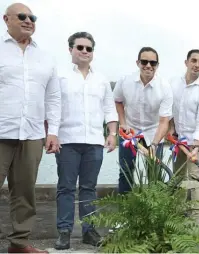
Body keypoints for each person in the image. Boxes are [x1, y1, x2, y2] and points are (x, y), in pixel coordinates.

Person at [0, 3, 61, 253]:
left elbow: (53, 97)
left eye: (32, 17)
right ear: (6, 19)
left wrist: (53, 131)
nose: (28, 20)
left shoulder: (45, 57)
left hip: (33, 135)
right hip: (1, 132)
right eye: (22, 16)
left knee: (25, 193)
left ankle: (19, 243)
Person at [53, 32, 118, 250]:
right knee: (66, 188)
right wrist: (52, 134)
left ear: (93, 52)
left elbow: (109, 108)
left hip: (94, 142)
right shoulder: (60, 76)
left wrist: (112, 133)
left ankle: (89, 231)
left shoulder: (101, 79)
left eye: (88, 49)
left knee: (89, 188)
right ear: (70, 49)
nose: (84, 51)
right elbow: (53, 107)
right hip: (67, 140)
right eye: (79, 47)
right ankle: (64, 232)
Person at [113, 46, 173, 195]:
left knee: (154, 174)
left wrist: (154, 144)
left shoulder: (165, 87)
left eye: (153, 63)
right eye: (144, 62)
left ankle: (153, 214)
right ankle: (126, 210)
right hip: (129, 130)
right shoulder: (125, 81)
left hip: (153, 132)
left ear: (157, 65)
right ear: (138, 62)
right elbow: (117, 101)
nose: (148, 66)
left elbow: (164, 121)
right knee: (126, 171)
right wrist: (123, 123)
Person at [169, 49, 199, 219]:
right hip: (177, 140)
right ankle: (177, 214)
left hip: (196, 140)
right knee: (178, 176)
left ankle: (196, 216)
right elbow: (169, 109)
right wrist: (171, 128)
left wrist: (195, 145)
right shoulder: (173, 83)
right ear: (186, 62)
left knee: (196, 177)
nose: (196, 65)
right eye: (193, 60)